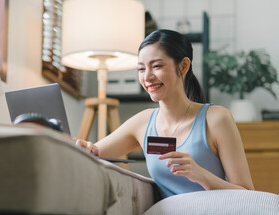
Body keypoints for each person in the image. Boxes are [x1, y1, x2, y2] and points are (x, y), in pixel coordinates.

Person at [75, 29, 254, 198]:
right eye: (141, 69)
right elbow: (94, 154)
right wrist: (84, 148)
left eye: (157, 66)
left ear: (184, 66)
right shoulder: (143, 122)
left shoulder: (216, 119)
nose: (147, 77)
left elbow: (247, 193)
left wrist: (201, 175)